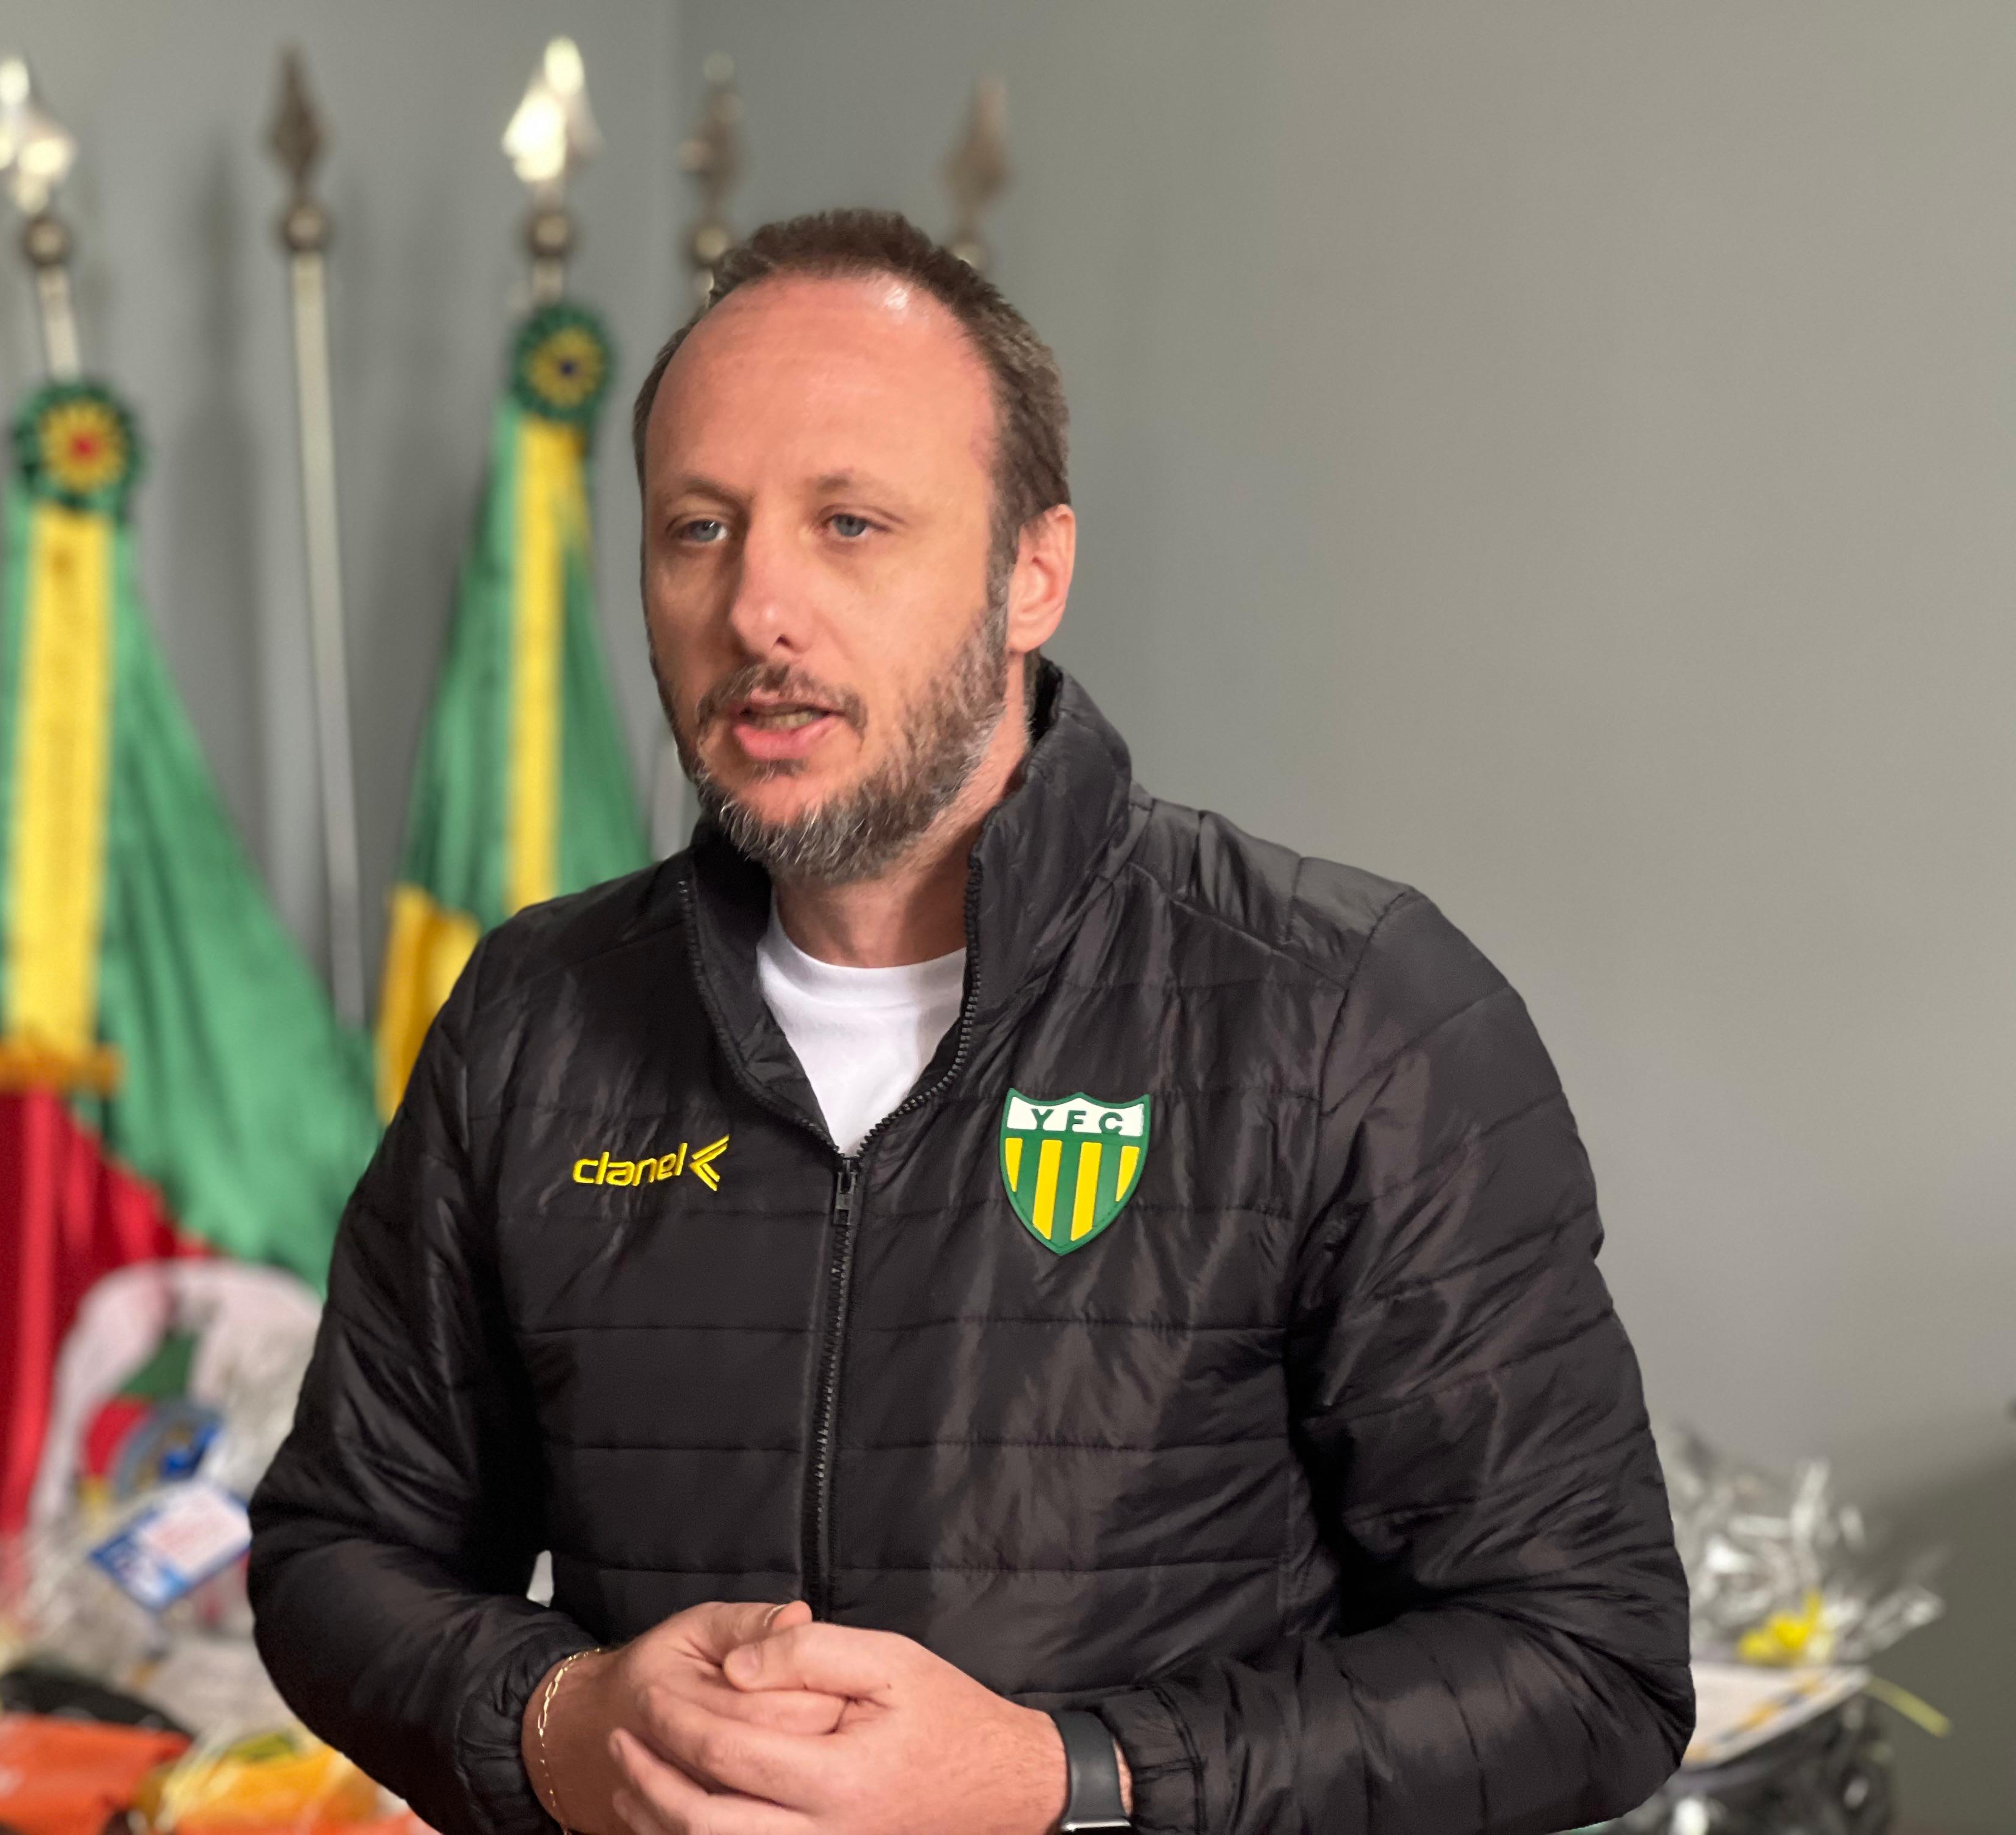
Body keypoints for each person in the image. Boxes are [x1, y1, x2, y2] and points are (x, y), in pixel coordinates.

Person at [250, 209, 1693, 1835]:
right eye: (698, 529)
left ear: (1032, 575)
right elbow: (336, 1553)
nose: (758, 608)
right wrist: (563, 1723)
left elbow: (1589, 1666)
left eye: (851, 523)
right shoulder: (536, 1018)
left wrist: (1057, 1778)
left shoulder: (1347, 1012)